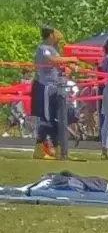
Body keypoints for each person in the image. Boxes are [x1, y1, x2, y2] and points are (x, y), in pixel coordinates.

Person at [32, 27, 86, 161]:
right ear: (50, 34)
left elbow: (58, 64)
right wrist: (70, 59)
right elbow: (52, 60)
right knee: (47, 119)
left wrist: (69, 66)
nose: (58, 35)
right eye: (55, 33)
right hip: (46, 87)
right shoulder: (43, 48)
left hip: (56, 87)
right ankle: (39, 148)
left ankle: (59, 150)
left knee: (56, 119)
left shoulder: (54, 49)